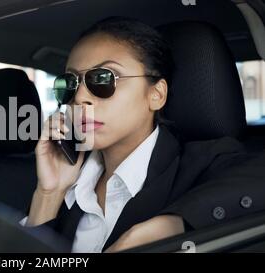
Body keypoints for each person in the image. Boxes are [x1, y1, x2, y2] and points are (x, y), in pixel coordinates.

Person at [21, 16, 265, 253]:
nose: (80, 97)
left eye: (103, 79)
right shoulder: (69, 180)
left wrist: (169, 226)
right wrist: (49, 194)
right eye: (70, 84)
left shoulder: (204, 163)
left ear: (156, 94)